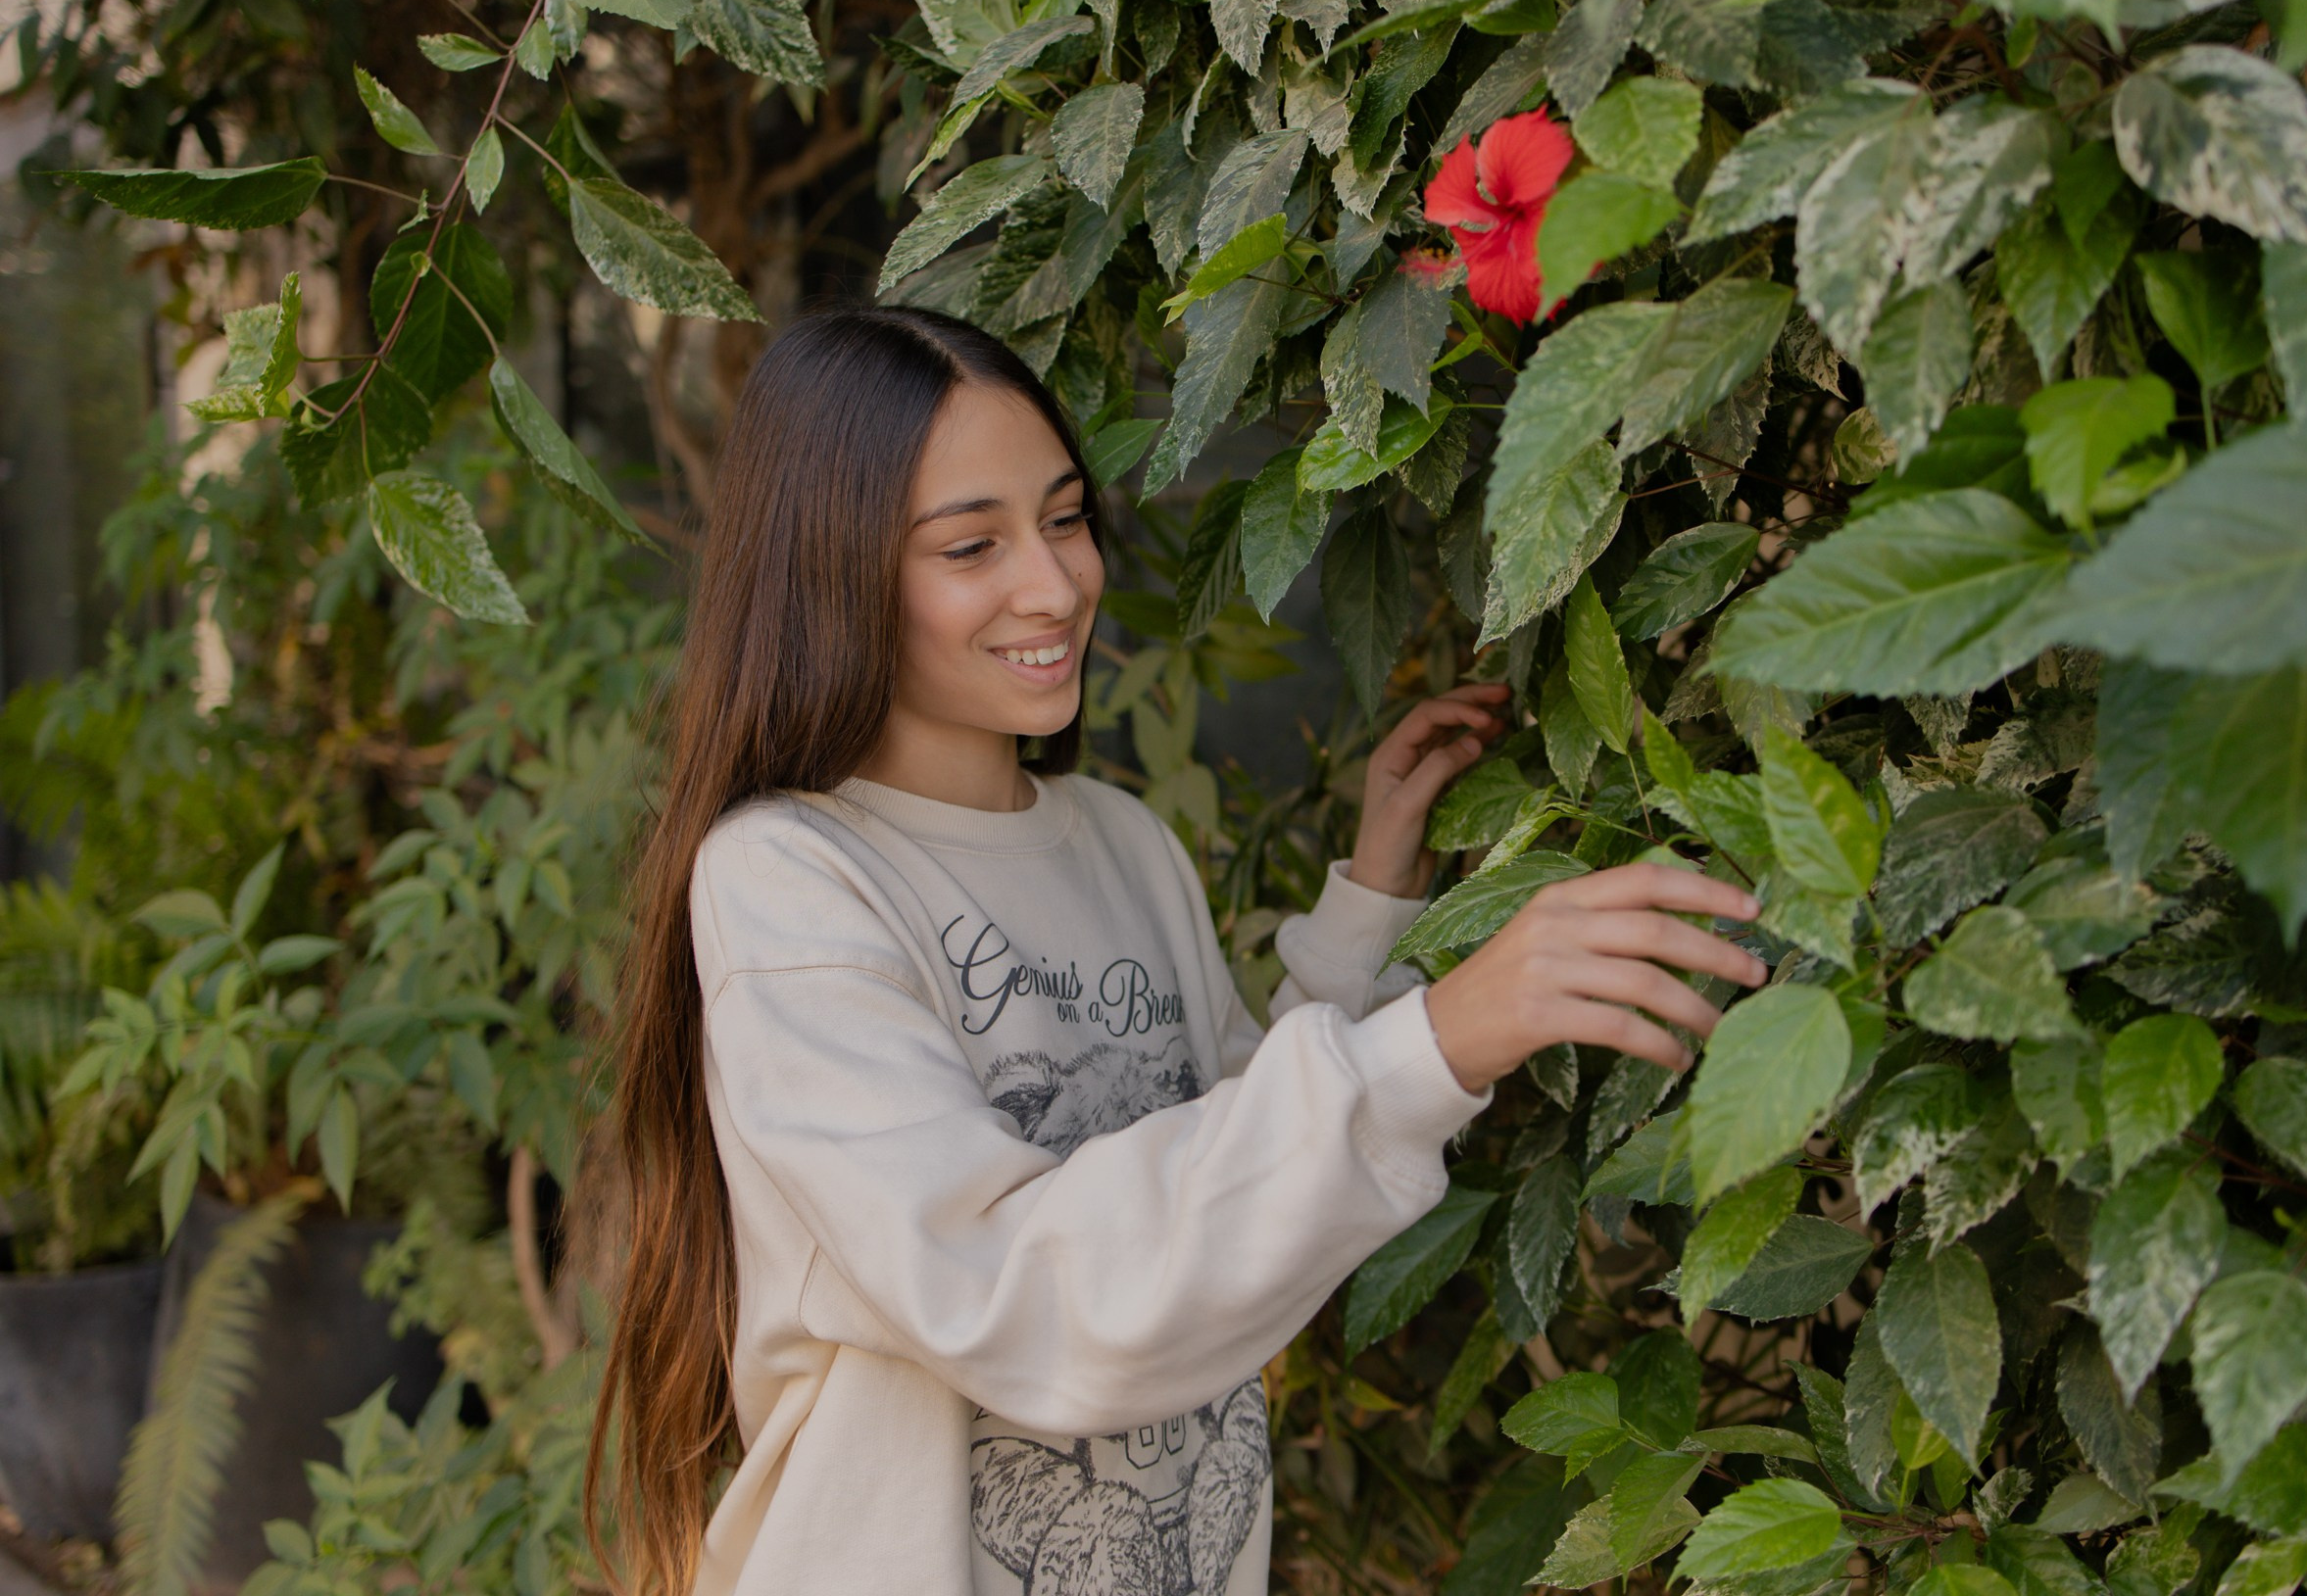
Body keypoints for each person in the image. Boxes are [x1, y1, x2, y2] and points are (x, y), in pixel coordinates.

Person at [586, 305, 1768, 1596]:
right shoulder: (789, 879)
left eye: (1065, 517)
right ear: (831, 567)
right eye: (971, 544)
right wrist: (1443, 1037)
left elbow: (1230, 1196)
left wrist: (1372, 902)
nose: (1055, 583)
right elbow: (1016, 1295)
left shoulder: (1117, 839)